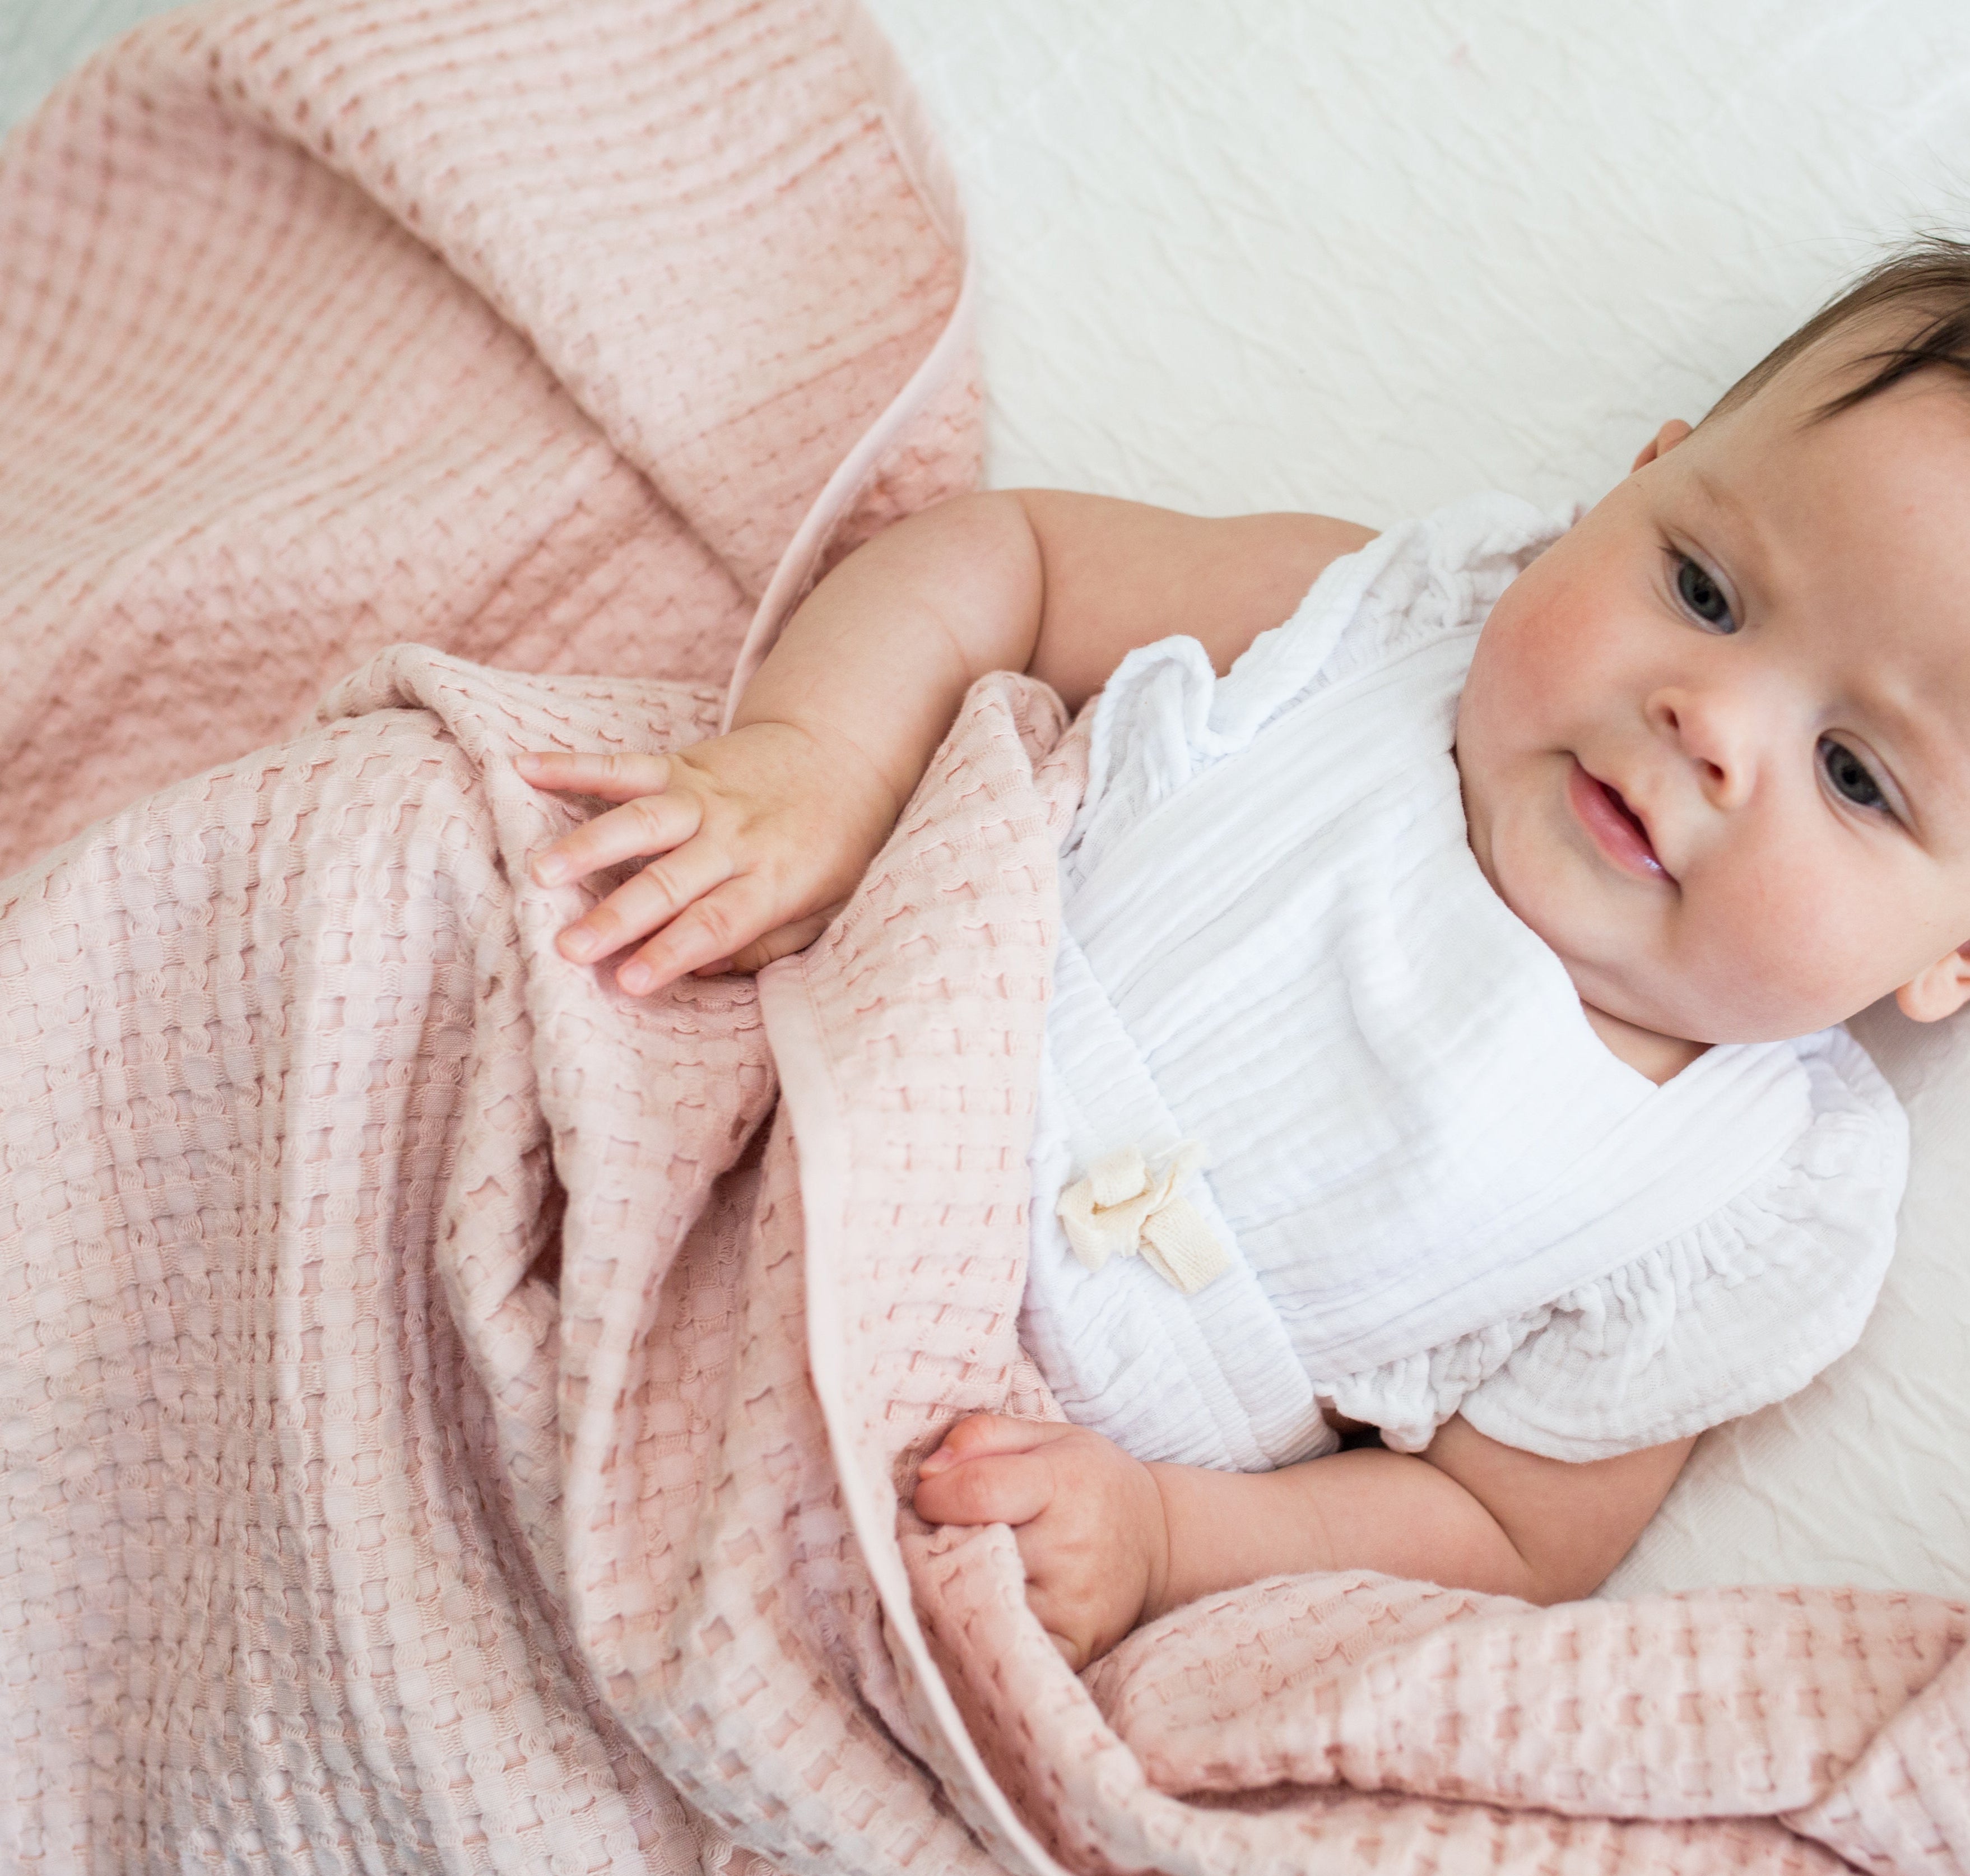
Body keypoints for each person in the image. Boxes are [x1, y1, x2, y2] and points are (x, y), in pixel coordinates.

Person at [516, 241, 1970, 1668]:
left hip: (947, 1480)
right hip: (735, 1098)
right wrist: (814, 762)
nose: (1706, 720)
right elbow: (1009, 559)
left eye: (1853, 773)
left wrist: (1161, 1535)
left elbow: (1500, 1533)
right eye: (1704, 591)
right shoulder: (1374, 625)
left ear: (1950, 954)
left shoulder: (1733, 1205)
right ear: (1641, 478)